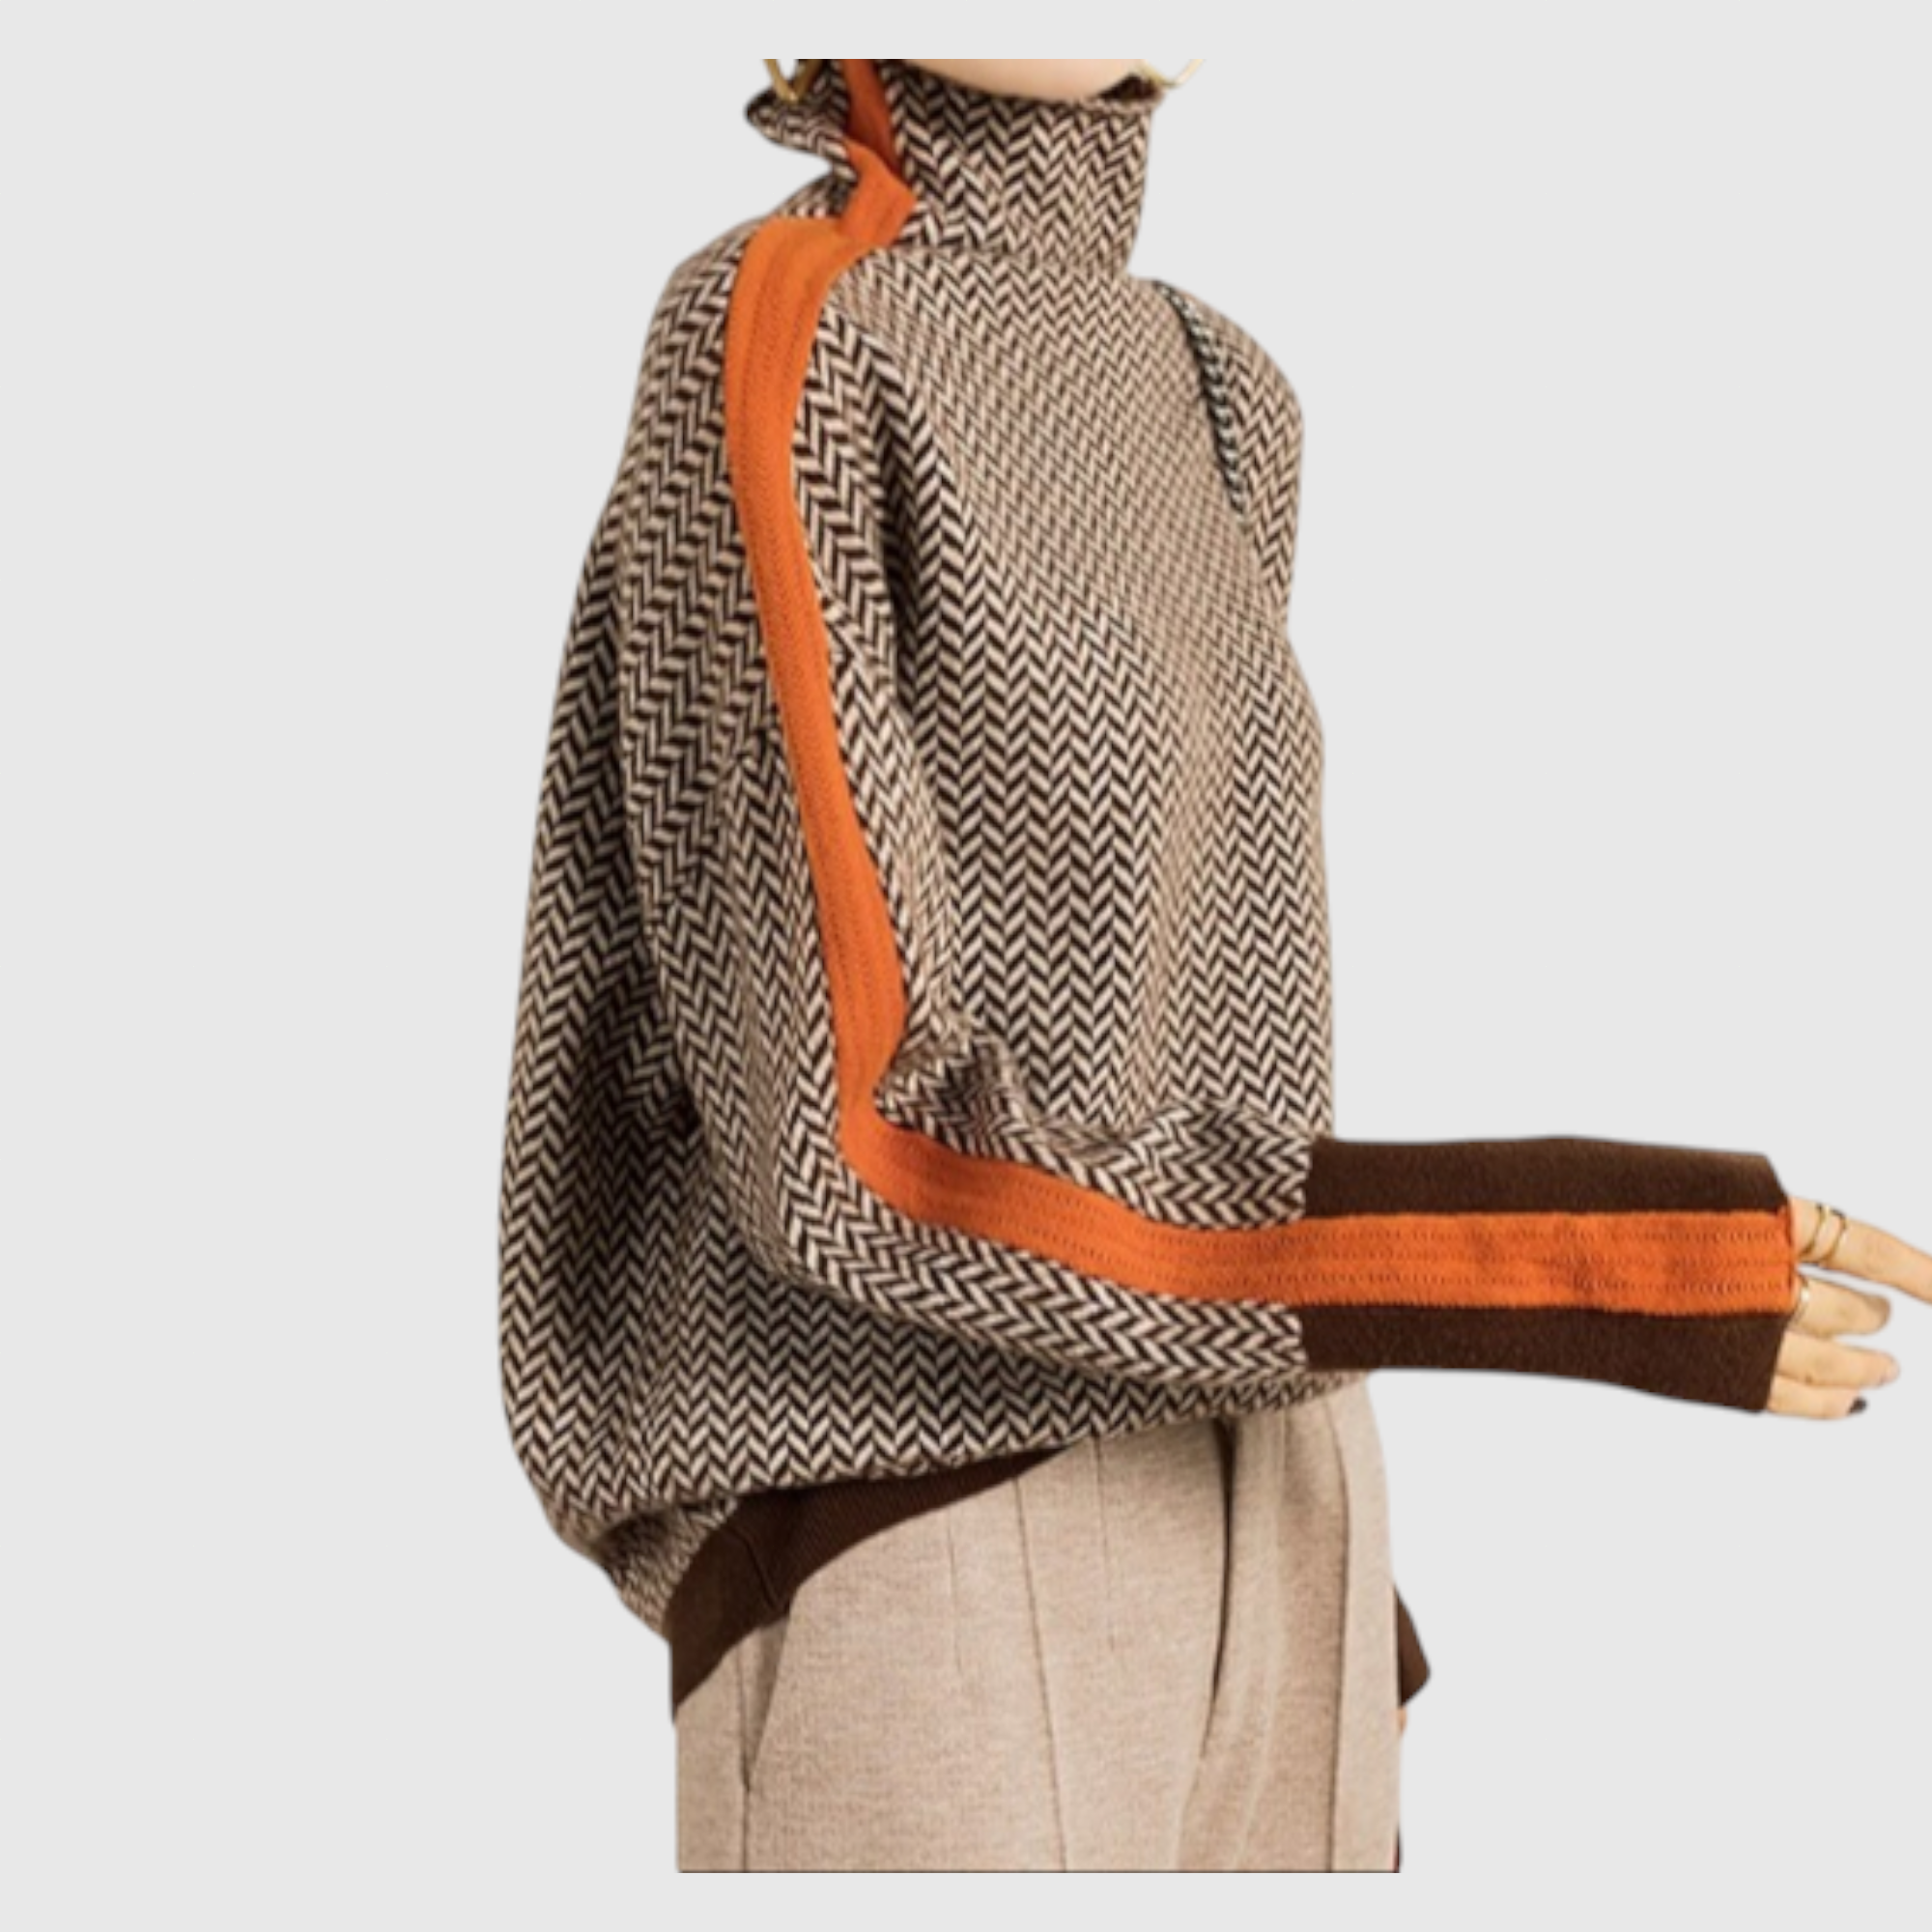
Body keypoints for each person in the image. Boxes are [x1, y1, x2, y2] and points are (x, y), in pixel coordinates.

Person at [497, 56, 1920, 1871]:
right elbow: (861, 1150)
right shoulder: (785, 327)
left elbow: (1203, 1028)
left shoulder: (1219, 386)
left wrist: (1333, 1558)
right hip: (925, 1518)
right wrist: (1573, 1256)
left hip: (1289, 1503)